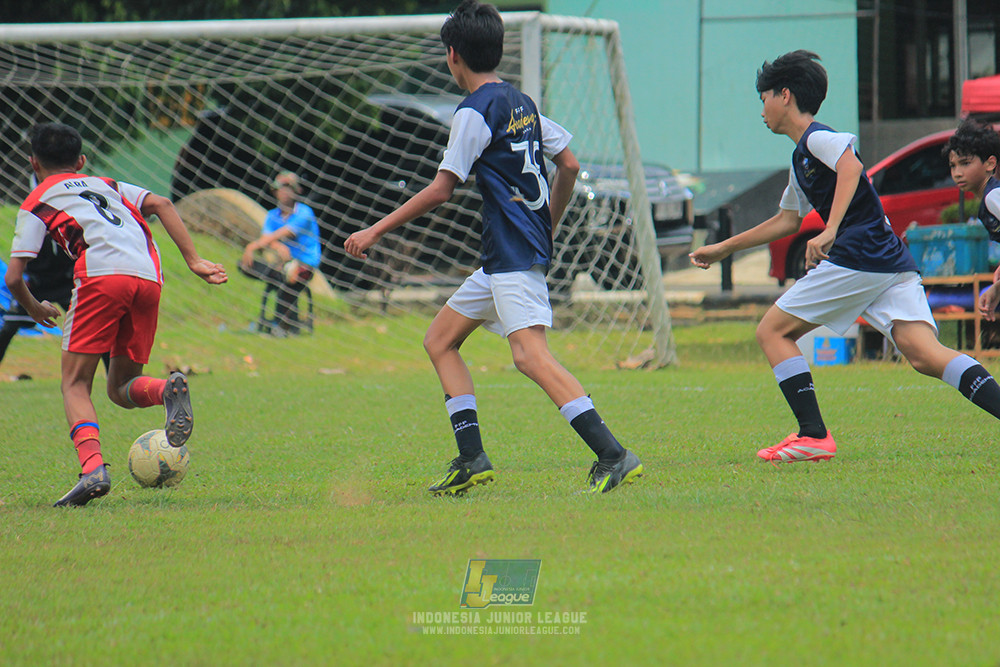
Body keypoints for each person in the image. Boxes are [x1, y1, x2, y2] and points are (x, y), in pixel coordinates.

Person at [344, 0, 642, 495]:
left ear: (452, 55)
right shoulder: (519, 102)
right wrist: (548, 221)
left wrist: (375, 230)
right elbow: (567, 164)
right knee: (440, 340)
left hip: (510, 254)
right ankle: (472, 457)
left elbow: (442, 188)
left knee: (530, 356)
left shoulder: (472, 113)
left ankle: (613, 455)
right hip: (505, 256)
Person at [690, 50, 1000, 462]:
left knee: (772, 332)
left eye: (763, 97)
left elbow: (852, 167)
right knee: (925, 355)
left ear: (784, 96)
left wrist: (831, 229)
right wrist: (724, 248)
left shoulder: (818, 138)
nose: (761, 108)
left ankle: (813, 434)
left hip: (860, 255)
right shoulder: (801, 159)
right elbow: (785, 222)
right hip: (888, 261)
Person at [5, 122, 228, 507]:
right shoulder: (105, 183)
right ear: (82, 161)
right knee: (121, 388)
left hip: (101, 276)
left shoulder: (35, 201)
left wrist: (33, 306)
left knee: (75, 384)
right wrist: (193, 261)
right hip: (148, 277)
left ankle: (92, 469)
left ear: (33, 162)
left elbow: (13, 277)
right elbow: (162, 204)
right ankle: (164, 390)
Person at [239, 171, 320, 335]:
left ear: (296, 190)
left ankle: (282, 325)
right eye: (280, 188)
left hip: (304, 264)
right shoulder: (272, 215)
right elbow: (267, 238)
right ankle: (283, 323)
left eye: (288, 187)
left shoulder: (304, 213)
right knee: (245, 265)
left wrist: (253, 246)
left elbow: (281, 233)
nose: (284, 192)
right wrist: (278, 247)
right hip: (282, 264)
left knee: (288, 274)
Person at [942, 119, 1000, 318]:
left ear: (990, 163)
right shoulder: (989, 198)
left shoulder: (993, 197)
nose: (957, 173)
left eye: (965, 163)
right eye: (953, 166)